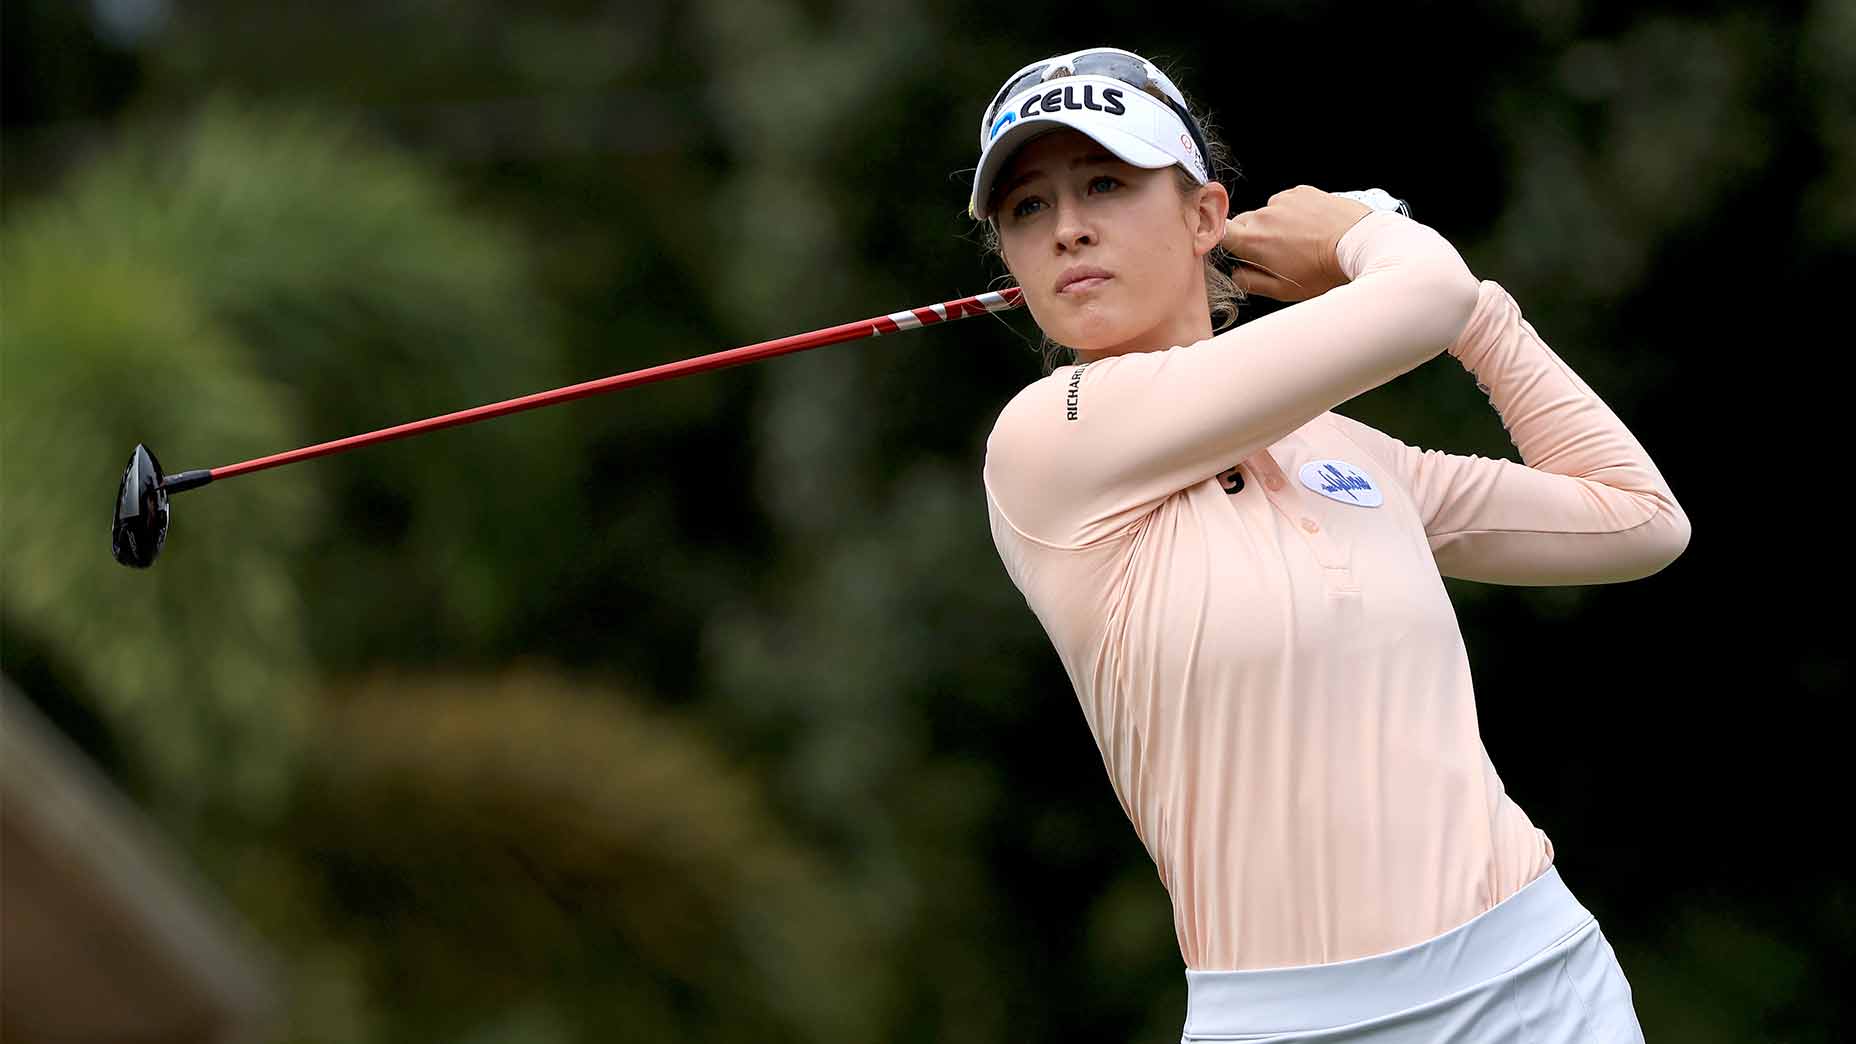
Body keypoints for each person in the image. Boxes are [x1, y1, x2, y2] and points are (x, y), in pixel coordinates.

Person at [972, 47, 1689, 1042]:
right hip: (1293, 1025)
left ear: (1203, 216)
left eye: (1104, 183)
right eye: (1025, 210)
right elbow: (1412, 295)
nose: (1068, 228)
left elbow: (1633, 518)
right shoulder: (1048, 438)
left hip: (1539, 982)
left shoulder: (1348, 456)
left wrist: (1475, 311)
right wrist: (1369, 238)